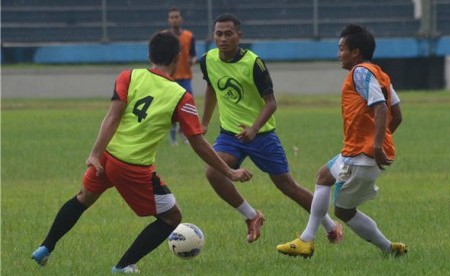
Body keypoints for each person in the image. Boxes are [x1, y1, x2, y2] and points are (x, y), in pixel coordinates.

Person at [31, 31, 252, 273]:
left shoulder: (129, 76)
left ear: (149, 54)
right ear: (178, 58)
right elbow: (198, 143)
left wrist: (95, 153)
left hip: (107, 156)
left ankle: (45, 247)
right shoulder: (181, 96)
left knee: (83, 198)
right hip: (133, 167)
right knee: (172, 218)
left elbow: (112, 116)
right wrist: (229, 172)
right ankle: (123, 266)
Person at [199, 13, 343, 244]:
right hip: (230, 134)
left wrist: (254, 129)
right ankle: (252, 216)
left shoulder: (254, 63)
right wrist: (205, 121)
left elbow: (271, 103)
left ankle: (330, 226)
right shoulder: (207, 60)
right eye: (218, 34)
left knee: (287, 186)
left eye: (228, 34)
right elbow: (212, 88)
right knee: (213, 172)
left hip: (261, 136)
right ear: (213, 35)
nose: (223, 38)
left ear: (239, 36)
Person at [276, 24, 406, 258]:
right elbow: (397, 114)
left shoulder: (360, 72)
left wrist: (375, 145)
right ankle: (307, 239)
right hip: (356, 154)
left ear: (355, 52)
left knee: (344, 212)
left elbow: (379, 108)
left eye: (341, 49)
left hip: (360, 157)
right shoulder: (380, 74)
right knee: (323, 176)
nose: (338, 54)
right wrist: (379, 143)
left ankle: (386, 248)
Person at [166, 7, 197, 145]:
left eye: (176, 16)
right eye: (172, 17)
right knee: (171, 108)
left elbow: (193, 54)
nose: (174, 19)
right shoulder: (165, 37)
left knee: (188, 107)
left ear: (181, 18)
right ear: (168, 19)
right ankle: (172, 136)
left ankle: (184, 133)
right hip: (170, 78)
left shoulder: (189, 36)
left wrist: (193, 60)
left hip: (185, 77)